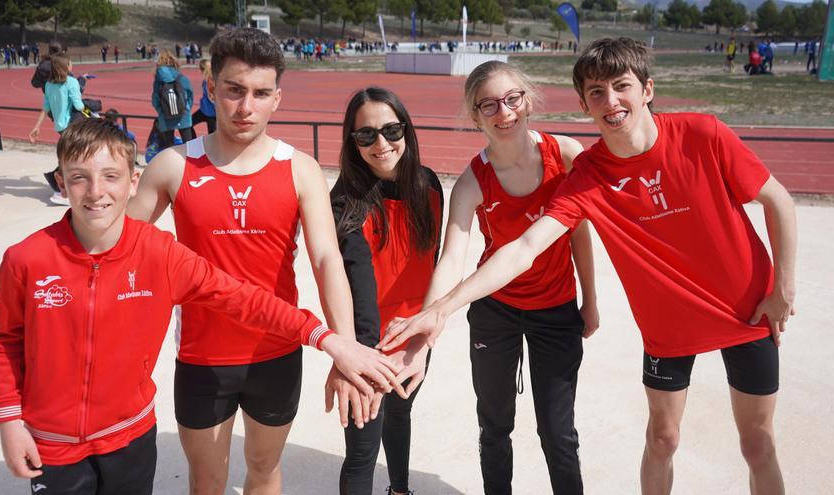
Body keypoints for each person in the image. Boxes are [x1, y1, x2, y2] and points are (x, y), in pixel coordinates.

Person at [382, 37, 796, 495]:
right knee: (661, 437)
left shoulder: (695, 135)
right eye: (597, 92)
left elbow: (777, 200)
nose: (611, 101)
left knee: (758, 446)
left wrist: (783, 290)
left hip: (743, 312)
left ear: (648, 89)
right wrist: (435, 314)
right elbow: (520, 249)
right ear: (582, 102)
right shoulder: (588, 173)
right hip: (658, 326)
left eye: (622, 87)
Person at [0, 118, 401, 495]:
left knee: (262, 466)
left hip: (129, 436)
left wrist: (330, 339)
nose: (96, 192)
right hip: (54, 443)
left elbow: (245, 299)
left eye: (110, 177)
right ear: (61, 182)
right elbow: (5, 339)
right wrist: (9, 419)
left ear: (132, 182)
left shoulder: (160, 254)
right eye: (79, 179)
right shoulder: (28, 259)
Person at [127, 27, 380, 495]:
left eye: (261, 94)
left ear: (277, 99)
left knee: (263, 470)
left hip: (276, 353)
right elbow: (117, 248)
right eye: (234, 90)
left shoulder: (299, 168)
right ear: (210, 90)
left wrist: (344, 349)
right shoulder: (173, 166)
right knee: (207, 481)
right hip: (203, 357)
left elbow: (326, 259)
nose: (246, 107)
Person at [399, 60, 600, 494]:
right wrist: (426, 327)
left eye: (512, 99)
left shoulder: (565, 155)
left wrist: (591, 299)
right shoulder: (473, 181)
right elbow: (451, 258)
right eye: (488, 105)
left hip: (556, 309)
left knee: (558, 432)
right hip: (496, 312)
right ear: (475, 116)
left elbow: (579, 235)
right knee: (494, 427)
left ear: (527, 101)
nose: (503, 112)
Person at [332, 87, 443, 495]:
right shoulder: (345, 201)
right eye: (366, 136)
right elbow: (356, 283)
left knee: (400, 416)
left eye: (391, 130)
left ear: (406, 131)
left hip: (414, 337)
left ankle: (400, 490)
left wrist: (422, 338)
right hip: (368, 344)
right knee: (362, 453)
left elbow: (432, 263)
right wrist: (359, 358)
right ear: (352, 142)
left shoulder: (429, 184)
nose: (381, 144)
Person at [29, 53, 86, 206]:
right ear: (66, 67)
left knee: (72, 155)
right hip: (74, 125)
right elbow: (79, 106)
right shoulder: (72, 82)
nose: (72, 65)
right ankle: (60, 189)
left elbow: (45, 108)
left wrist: (36, 127)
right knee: (75, 156)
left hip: (61, 127)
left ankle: (63, 187)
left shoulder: (48, 85)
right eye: (70, 63)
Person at [150, 50, 194, 151]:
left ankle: (173, 166)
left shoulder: (158, 81)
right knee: (190, 147)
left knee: (170, 149)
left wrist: (161, 112)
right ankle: (189, 166)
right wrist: (186, 109)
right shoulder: (182, 78)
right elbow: (190, 96)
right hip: (184, 115)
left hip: (165, 117)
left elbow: (155, 101)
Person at [191, 59, 217, 135]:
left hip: (212, 113)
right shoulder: (207, 79)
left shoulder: (210, 81)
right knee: (189, 124)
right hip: (204, 110)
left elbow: (213, 98)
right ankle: (194, 143)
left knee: (212, 135)